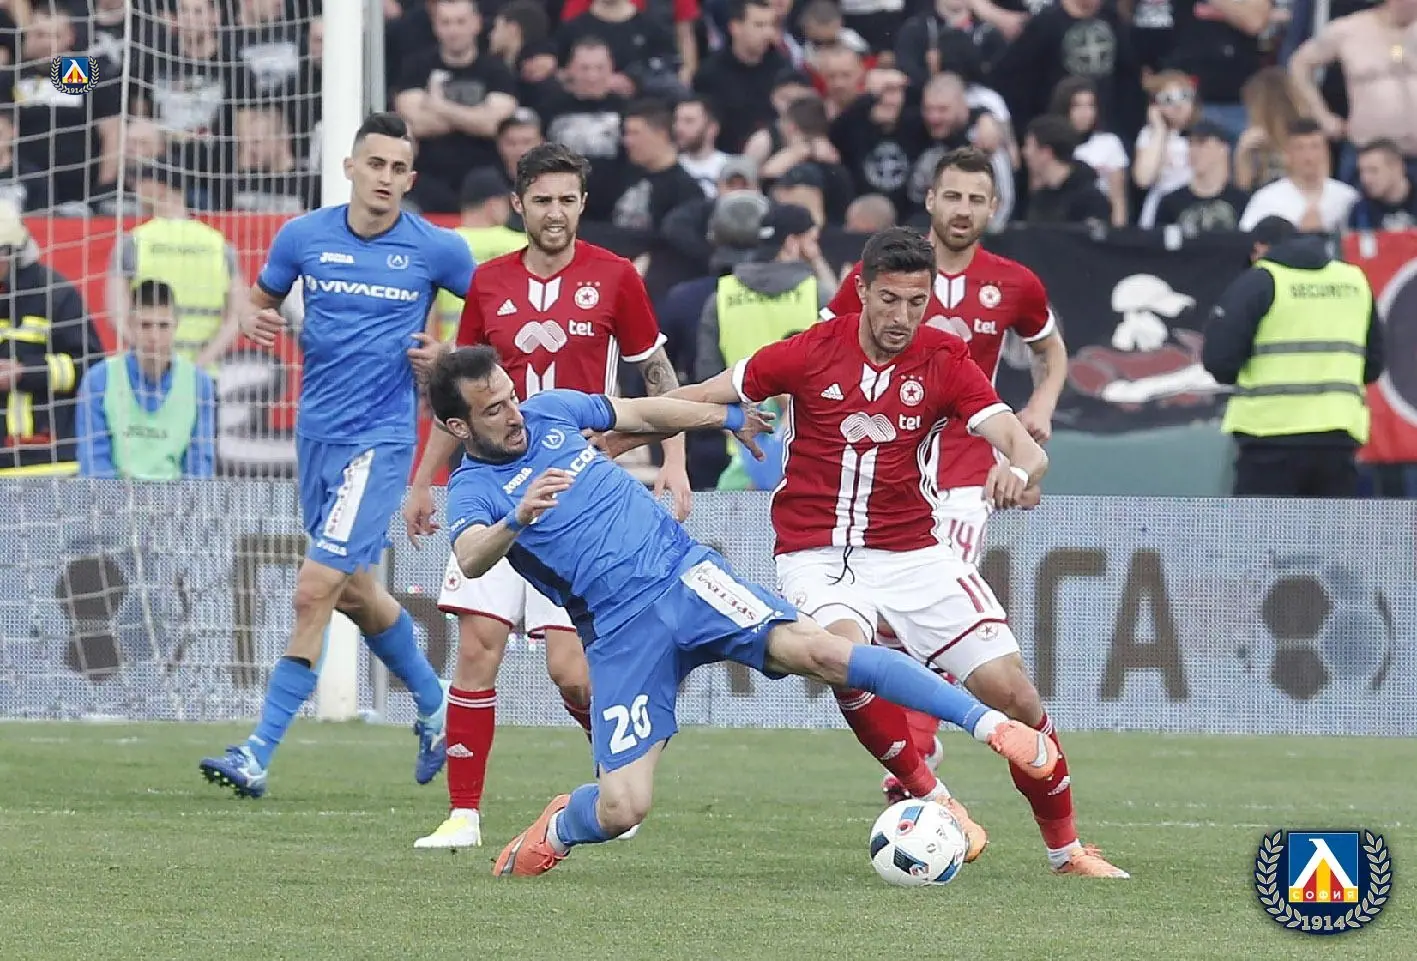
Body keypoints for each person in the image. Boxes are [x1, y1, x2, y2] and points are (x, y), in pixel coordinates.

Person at [426, 352, 1059, 877]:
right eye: (493, 410)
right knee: (622, 808)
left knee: (824, 652)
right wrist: (518, 517)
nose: (514, 414)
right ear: (459, 426)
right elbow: (471, 556)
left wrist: (724, 416)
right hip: (619, 632)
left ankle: (991, 728)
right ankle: (559, 828)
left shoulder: (551, 411)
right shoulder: (474, 489)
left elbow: (643, 412)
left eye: (511, 397)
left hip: (688, 578)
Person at [820, 151, 1122, 878]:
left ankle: (926, 765)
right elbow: (825, 351)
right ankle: (923, 771)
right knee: (874, 637)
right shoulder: (885, 279)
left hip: (963, 473)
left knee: (936, 634)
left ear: (992, 208)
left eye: (975, 199)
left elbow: (1050, 354)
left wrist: (1034, 421)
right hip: (887, 478)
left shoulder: (1013, 283)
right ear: (929, 199)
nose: (961, 209)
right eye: (951, 195)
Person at [403, 142, 691, 850]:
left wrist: (675, 460)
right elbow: (459, 394)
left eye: (566, 200)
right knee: (477, 644)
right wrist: (423, 480)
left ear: (582, 204)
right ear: (518, 205)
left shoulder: (616, 276)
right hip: (493, 489)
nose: (554, 213)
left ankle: (616, 782)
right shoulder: (488, 283)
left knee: (572, 671)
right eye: (542, 200)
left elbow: (656, 375)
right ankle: (463, 815)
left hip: (574, 496)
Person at [197, 112, 476, 798]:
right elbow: (255, 301)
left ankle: (258, 751)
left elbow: (492, 322)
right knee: (351, 591)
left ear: (410, 179)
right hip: (316, 437)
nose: (385, 177)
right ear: (349, 167)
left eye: (397, 169)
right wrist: (253, 316)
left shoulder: (437, 249)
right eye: (374, 163)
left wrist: (449, 355)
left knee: (311, 588)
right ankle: (436, 705)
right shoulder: (303, 237)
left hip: (380, 443)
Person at [1202, 216, 1384, 498]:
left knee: (1262, 527)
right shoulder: (1353, 280)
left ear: (1259, 248)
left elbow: (1219, 360)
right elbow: (1373, 365)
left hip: (1268, 437)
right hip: (1337, 437)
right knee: (1330, 528)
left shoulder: (1261, 280)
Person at [76, 280, 217, 480]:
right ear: (131, 325)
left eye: (163, 326)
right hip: (112, 498)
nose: (154, 336)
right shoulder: (98, 380)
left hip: (177, 499)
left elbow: (200, 465)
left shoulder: (199, 384)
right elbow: (94, 463)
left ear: (176, 325)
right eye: (145, 325)